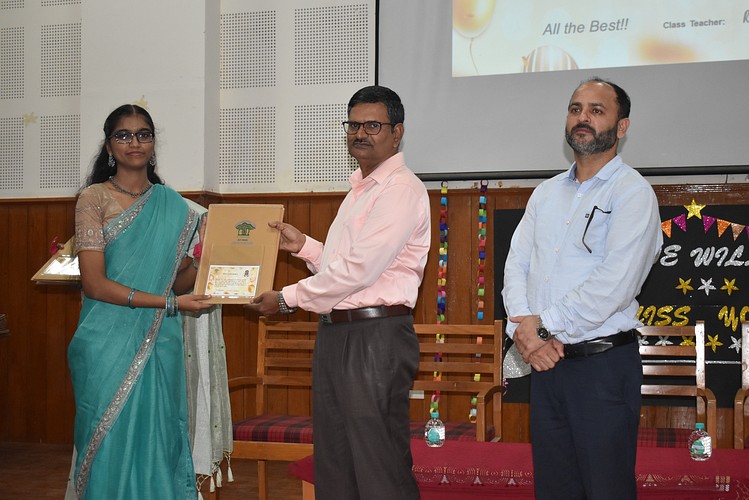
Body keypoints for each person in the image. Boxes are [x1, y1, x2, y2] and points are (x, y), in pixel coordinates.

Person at [248, 85, 430, 499]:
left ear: (397, 132)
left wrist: (286, 299)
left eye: (373, 125)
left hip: (374, 338)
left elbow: (359, 272)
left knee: (378, 465)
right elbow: (344, 265)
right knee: (336, 462)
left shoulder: (400, 189)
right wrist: (305, 247)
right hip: (338, 332)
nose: (360, 133)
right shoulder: (360, 190)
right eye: (353, 125)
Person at [502, 78, 663, 500]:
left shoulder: (633, 192)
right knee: (554, 489)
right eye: (576, 109)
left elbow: (615, 283)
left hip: (601, 369)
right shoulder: (545, 193)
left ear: (622, 126)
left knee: (606, 489)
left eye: (596, 110)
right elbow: (517, 265)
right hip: (546, 366)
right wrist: (524, 331)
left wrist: (542, 328)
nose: (582, 118)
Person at [66, 104, 213, 499]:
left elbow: (176, 281)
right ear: (109, 146)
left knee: (158, 440)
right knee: (107, 444)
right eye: (124, 135)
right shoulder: (94, 199)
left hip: (159, 342)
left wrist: (209, 257)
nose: (135, 142)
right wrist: (170, 305)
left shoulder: (175, 206)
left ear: (153, 143)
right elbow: (95, 284)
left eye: (143, 134)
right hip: (105, 341)